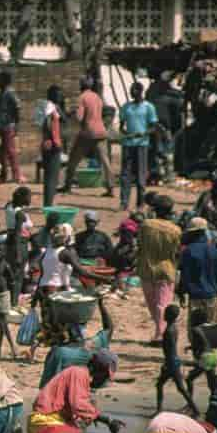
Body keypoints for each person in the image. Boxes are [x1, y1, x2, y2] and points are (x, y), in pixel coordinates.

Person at [28, 349, 124, 433]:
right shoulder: (78, 373)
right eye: (105, 376)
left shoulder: (81, 377)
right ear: (99, 369)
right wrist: (107, 420)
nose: (104, 380)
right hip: (44, 420)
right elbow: (79, 405)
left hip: (53, 420)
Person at [138, 195, 181, 343]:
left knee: (152, 304)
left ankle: (160, 333)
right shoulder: (175, 230)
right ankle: (161, 333)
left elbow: (140, 244)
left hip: (146, 268)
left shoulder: (146, 225)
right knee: (163, 304)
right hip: (166, 270)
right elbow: (176, 251)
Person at [62, 76, 113, 196]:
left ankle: (67, 185)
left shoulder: (82, 97)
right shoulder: (97, 97)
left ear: (81, 85)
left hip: (87, 133)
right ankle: (110, 188)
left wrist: (71, 113)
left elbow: (79, 117)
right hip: (101, 131)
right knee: (105, 161)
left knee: (73, 159)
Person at [154, 304, 201, 416]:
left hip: (171, 363)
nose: (163, 315)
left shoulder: (169, 331)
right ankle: (159, 410)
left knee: (179, 388)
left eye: (166, 313)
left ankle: (195, 411)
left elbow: (169, 350)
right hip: (173, 362)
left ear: (169, 316)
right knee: (162, 385)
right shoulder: (173, 328)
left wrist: (167, 364)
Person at [119, 82, 158, 211]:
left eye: (134, 90)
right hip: (128, 144)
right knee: (125, 174)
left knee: (141, 174)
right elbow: (121, 126)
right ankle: (124, 202)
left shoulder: (148, 107)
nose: (132, 92)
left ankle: (140, 203)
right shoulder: (126, 107)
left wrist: (143, 133)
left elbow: (153, 127)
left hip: (142, 144)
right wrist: (126, 134)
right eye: (131, 90)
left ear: (140, 91)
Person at [39, 85, 65, 207]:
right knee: (51, 176)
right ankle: (48, 205)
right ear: (52, 95)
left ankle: (48, 203)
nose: (60, 97)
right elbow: (48, 123)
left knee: (51, 176)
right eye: (58, 94)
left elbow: (63, 119)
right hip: (52, 144)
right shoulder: (50, 107)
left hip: (50, 143)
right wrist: (52, 140)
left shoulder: (51, 106)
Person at [0, 70, 23, 184]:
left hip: (8, 126)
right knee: (1, 153)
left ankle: (17, 176)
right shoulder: (1, 93)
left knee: (11, 151)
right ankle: (3, 176)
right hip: (2, 126)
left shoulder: (10, 93)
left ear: (5, 81)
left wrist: (16, 124)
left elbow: (17, 108)